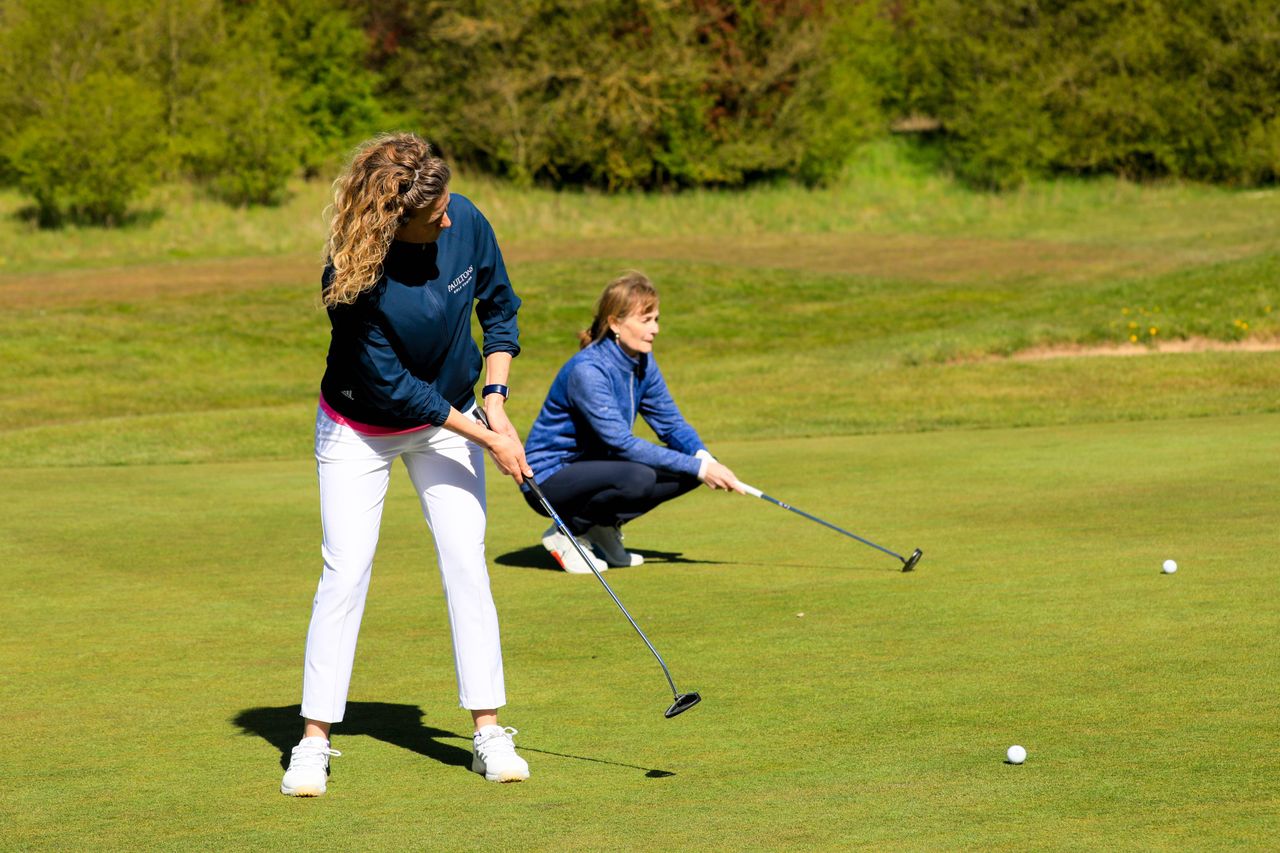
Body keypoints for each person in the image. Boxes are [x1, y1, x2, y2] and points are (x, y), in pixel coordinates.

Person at [280, 132, 533, 797]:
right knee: (346, 570)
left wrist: (496, 400)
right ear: (395, 220)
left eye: (448, 204)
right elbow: (395, 389)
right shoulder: (352, 270)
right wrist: (486, 437)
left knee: (465, 560)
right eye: (435, 215)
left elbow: (500, 308)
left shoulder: (466, 217)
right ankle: (313, 741)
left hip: (450, 412)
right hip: (360, 426)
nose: (449, 218)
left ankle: (487, 729)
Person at [522, 271, 742, 573]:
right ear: (615, 323)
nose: (655, 329)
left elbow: (671, 425)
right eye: (645, 320)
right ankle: (566, 532)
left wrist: (703, 458)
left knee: (692, 467)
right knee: (638, 477)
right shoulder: (588, 370)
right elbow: (620, 442)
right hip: (548, 477)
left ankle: (601, 526)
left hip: (597, 467)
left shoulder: (642, 361)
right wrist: (701, 467)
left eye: (656, 319)